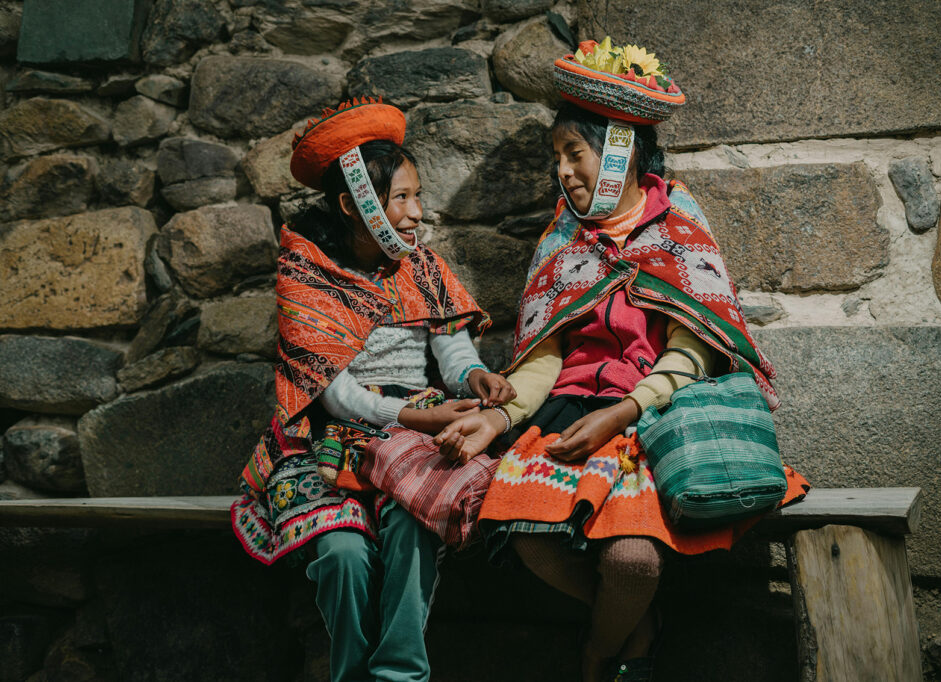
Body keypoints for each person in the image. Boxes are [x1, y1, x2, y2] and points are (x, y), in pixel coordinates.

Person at [434, 39, 809, 682]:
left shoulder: (679, 228)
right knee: (529, 537)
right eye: (558, 158)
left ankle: (600, 652)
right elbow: (543, 358)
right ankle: (636, 628)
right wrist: (496, 422)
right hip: (565, 414)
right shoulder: (563, 240)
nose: (564, 172)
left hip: (646, 416)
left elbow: (694, 350)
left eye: (573, 154)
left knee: (634, 562)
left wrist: (625, 411)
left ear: (618, 150)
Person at [231, 97, 514, 682]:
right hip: (328, 436)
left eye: (417, 196)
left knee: (416, 523)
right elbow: (335, 395)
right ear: (353, 203)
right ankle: (350, 672)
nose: (415, 214)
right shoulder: (305, 273)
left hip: (414, 424)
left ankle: (399, 674)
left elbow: (451, 349)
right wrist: (417, 418)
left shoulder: (423, 268)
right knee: (341, 554)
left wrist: (473, 376)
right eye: (401, 199)